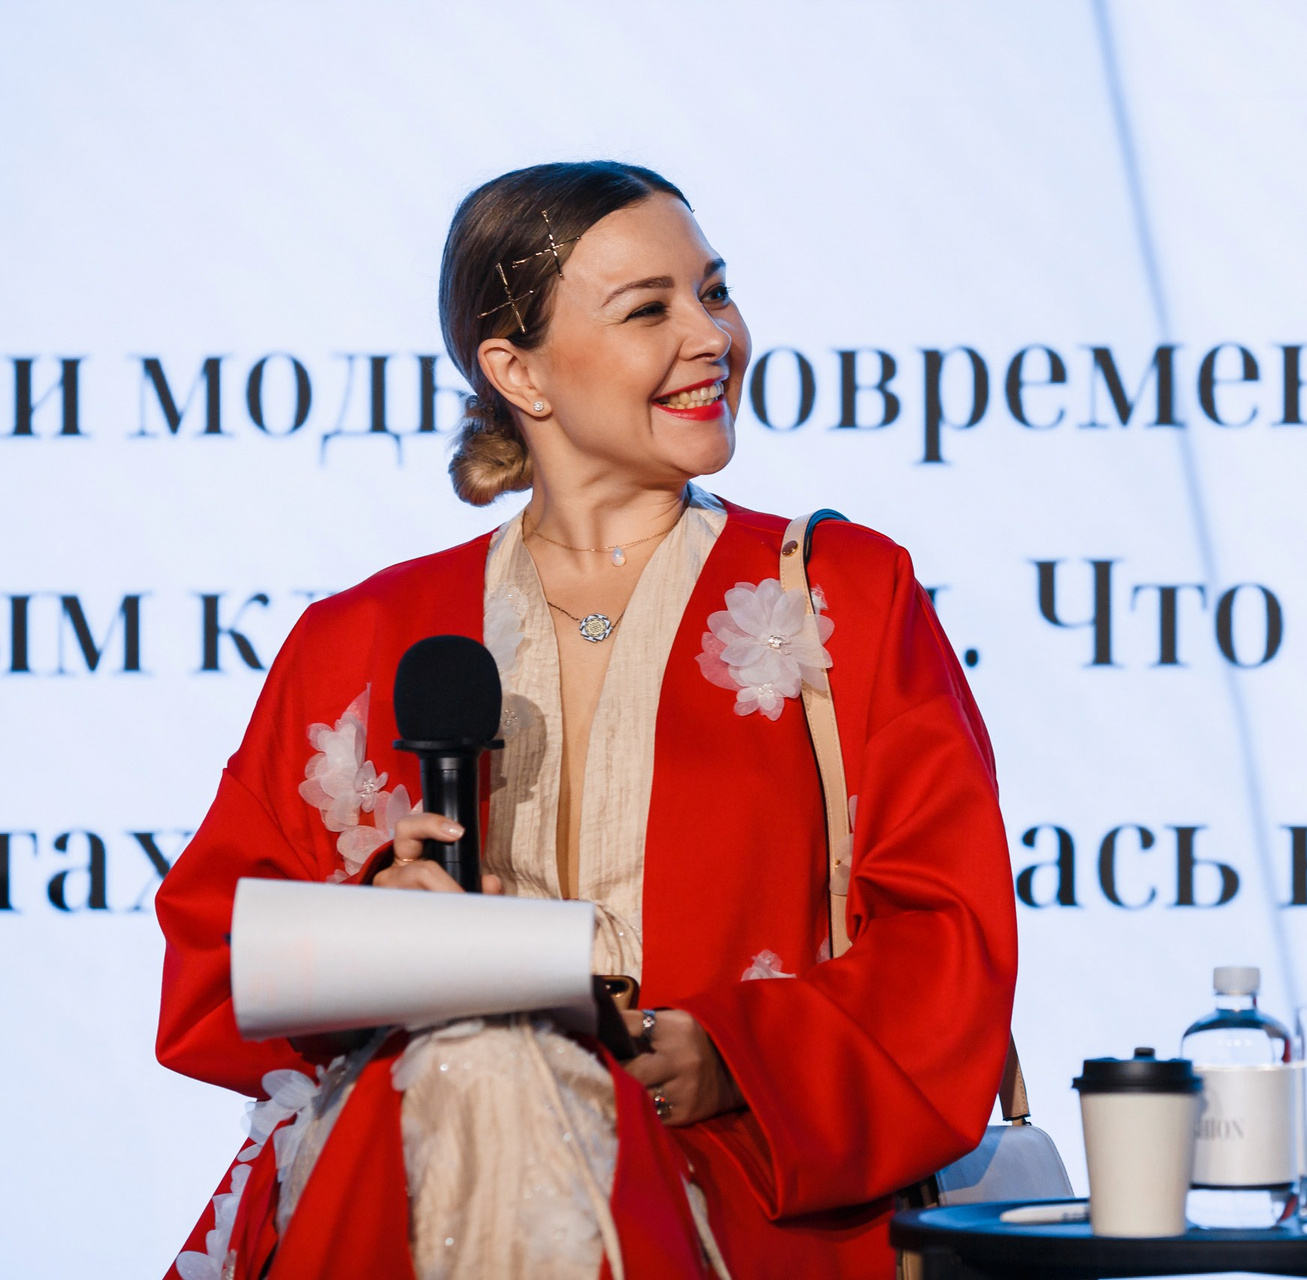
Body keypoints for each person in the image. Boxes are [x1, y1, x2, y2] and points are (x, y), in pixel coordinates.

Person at [154, 160, 1017, 1280]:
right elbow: (215, 961)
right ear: (518, 370)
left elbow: (949, 935)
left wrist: (735, 1058)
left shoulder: (842, 595)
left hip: (732, 1189)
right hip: (415, 1194)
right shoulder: (359, 635)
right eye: (649, 309)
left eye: (714, 291)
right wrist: (375, 922)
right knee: (477, 1086)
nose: (712, 336)